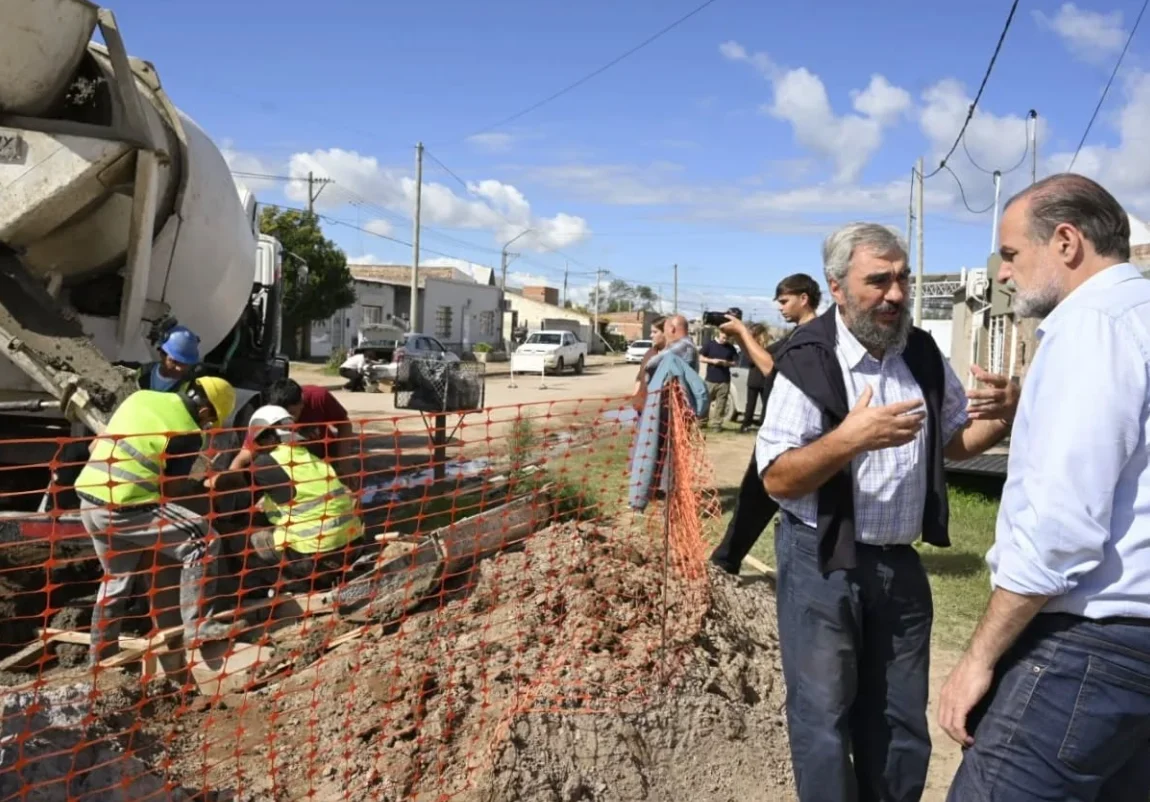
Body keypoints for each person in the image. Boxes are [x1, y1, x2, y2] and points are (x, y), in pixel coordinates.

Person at [759, 223, 1017, 802]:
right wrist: (849, 439)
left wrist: (1004, 415)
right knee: (823, 716)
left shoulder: (920, 352)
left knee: (901, 720)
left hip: (899, 565)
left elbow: (952, 440)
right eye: (878, 281)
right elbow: (776, 476)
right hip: (820, 560)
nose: (895, 294)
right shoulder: (807, 359)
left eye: (902, 278)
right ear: (838, 288)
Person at [939, 174, 1150, 801]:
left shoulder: (1091, 327)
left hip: (1089, 648)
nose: (1003, 274)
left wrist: (977, 660)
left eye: (1009, 254)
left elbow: (1058, 529)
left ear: (1065, 241)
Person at [73, 376, 239, 668]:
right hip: (127, 504)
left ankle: (100, 659)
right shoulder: (187, 432)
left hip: (89, 499)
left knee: (115, 582)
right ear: (204, 411)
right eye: (211, 421)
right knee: (203, 540)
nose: (207, 427)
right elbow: (171, 490)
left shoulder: (141, 397)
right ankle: (198, 626)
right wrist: (194, 489)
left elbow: (94, 447)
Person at [710, 273, 821, 575]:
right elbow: (767, 359)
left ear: (804, 298)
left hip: (797, 435)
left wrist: (743, 333)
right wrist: (739, 335)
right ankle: (726, 560)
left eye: (785, 301)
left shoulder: (814, 335)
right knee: (753, 500)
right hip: (781, 431)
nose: (781, 308)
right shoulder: (798, 334)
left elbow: (774, 369)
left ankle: (725, 561)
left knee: (757, 500)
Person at [240, 405, 365, 593]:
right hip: (352, 546)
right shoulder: (310, 457)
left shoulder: (265, 463)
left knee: (247, 539)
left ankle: (282, 585)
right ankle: (320, 578)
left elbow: (239, 496)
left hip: (313, 554)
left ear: (265, 437)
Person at [223, 379, 356, 482]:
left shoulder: (319, 397)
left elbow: (344, 424)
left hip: (320, 453)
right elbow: (244, 456)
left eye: (291, 413)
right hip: (287, 463)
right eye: (280, 414)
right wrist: (230, 481)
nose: (286, 418)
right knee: (258, 464)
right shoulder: (267, 416)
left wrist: (344, 460)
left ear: (302, 403)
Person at [136, 325, 200, 392]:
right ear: (162, 354)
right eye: (175, 362)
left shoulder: (192, 387)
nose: (180, 368)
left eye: (185, 363)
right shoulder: (141, 373)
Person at [699, 329, 739, 432]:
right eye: (723, 337)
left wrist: (727, 363)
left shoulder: (730, 348)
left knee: (721, 404)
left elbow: (735, 362)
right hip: (711, 379)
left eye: (727, 338)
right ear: (719, 334)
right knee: (705, 401)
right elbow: (700, 357)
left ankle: (717, 425)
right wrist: (712, 361)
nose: (724, 340)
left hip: (724, 380)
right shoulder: (710, 345)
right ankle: (702, 422)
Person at [738, 324, 772, 433]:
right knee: (758, 404)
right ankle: (749, 424)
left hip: (760, 378)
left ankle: (752, 424)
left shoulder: (761, 347)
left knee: (760, 404)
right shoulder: (761, 347)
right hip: (759, 378)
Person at [631, 317, 666, 412]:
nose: (651, 335)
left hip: (659, 410)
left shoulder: (671, 357)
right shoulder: (650, 353)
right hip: (642, 407)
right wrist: (635, 397)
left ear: (666, 333)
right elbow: (640, 377)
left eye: (655, 332)